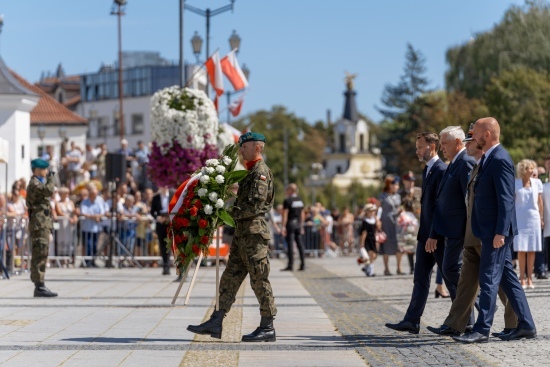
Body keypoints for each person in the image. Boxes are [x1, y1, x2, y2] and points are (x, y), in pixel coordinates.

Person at [427, 123, 517, 337]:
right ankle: (457, 323)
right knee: (471, 279)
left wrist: (499, 231)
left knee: (501, 278)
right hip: (474, 231)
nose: (468, 145)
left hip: (484, 232)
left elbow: (503, 200)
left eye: (471, 141)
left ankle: (516, 321)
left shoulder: (485, 161)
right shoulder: (478, 164)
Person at [453, 117, 536, 343]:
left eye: (476, 132)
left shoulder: (499, 159)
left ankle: (481, 329)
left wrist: (500, 231)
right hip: (489, 230)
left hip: (496, 232)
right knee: (507, 279)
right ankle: (526, 325)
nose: (473, 136)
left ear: (487, 135)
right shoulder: (490, 158)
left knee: (488, 278)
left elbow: (506, 199)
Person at [187, 132, 277, 342]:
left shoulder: (260, 173)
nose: (240, 150)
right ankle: (216, 321)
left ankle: (268, 326)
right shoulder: (249, 172)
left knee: (259, 279)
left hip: (254, 236)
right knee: (229, 278)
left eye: (244, 146)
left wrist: (223, 216)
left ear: (257, 147)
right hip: (242, 234)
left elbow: (253, 206)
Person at [385, 132, 446, 334]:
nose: (417, 151)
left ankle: (469, 320)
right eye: (417, 147)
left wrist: (434, 235)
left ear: (432, 146)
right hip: (424, 235)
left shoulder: (440, 169)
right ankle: (412, 320)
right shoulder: (427, 169)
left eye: (420, 147)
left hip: (435, 236)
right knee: (420, 279)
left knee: (451, 279)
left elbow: (440, 207)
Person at [27, 158, 57, 297]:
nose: (46, 171)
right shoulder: (35, 183)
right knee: (40, 252)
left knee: (42, 252)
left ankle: (40, 284)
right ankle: (39, 285)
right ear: (38, 170)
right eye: (45, 169)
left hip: (42, 222)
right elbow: (48, 191)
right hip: (39, 224)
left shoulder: (37, 182)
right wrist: (52, 178)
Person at [513, 159, 544, 289]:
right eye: (530, 168)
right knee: (521, 249)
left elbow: (540, 202)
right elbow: (512, 202)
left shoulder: (537, 183)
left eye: (533, 168)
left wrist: (541, 218)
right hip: (520, 219)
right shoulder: (515, 183)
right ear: (524, 170)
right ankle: (522, 279)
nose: (532, 171)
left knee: (532, 249)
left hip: (534, 219)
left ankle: (530, 278)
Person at [378, 175, 402, 275]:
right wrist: (377, 220)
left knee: (399, 245)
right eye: (393, 184)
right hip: (386, 222)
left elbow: (399, 207)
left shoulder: (398, 196)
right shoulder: (382, 196)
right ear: (389, 185)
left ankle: (399, 268)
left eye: (396, 184)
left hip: (397, 222)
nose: (395, 186)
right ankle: (386, 269)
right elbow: (378, 208)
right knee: (386, 244)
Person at [80, 183, 106, 267]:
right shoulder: (85, 201)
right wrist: (94, 217)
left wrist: (96, 216)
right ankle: (87, 262)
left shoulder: (99, 201)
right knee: (88, 245)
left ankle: (93, 261)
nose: (95, 196)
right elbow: (83, 212)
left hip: (96, 228)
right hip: (87, 228)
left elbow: (102, 212)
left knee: (94, 245)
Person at [281, 183, 306, 271]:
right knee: (300, 244)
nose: (286, 191)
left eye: (287, 189)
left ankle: (290, 265)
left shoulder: (288, 201)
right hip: (298, 223)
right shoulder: (300, 200)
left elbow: (285, 214)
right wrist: (302, 225)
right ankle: (303, 264)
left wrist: (283, 226)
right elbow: (302, 214)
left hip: (290, 223)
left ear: (291, 190)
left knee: (290, 244)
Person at [151, 186, 174, 275]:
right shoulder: (156, 197)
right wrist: (158, 217)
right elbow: (152, 211)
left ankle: (167, 265)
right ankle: (165, 265)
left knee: (169, 244)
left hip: (170, 223)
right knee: (162, 245)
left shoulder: (172, 195)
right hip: (160, 223)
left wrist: (169, 217)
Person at [359, 203, 380, 276]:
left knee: (375, 255)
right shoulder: (365, 221)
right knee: (371, 255)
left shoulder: (374, 220)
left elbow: (378, 228)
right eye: (371, 211)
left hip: (373, 238)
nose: (372, 212)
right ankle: (371, 272)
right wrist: (362, 243)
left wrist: (377, 219)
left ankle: (366, 267)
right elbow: (364, 233)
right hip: (367, 239)